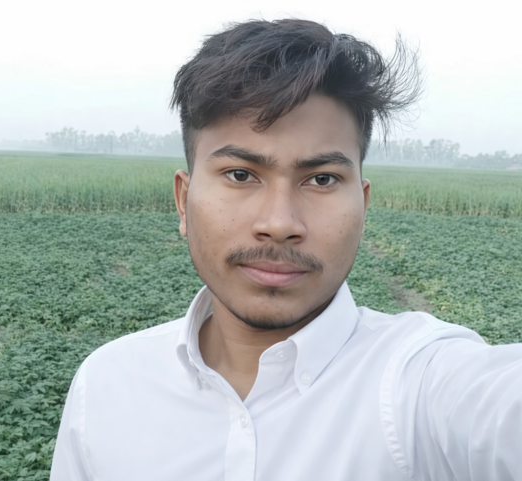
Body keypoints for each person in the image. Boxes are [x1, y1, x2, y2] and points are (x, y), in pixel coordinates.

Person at [51, 19, 522, 480]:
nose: (279, 224)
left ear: (362, 206)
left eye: (322, 179)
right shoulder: (107, 385)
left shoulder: (422, 383)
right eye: (240, 174)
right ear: (183, 200)